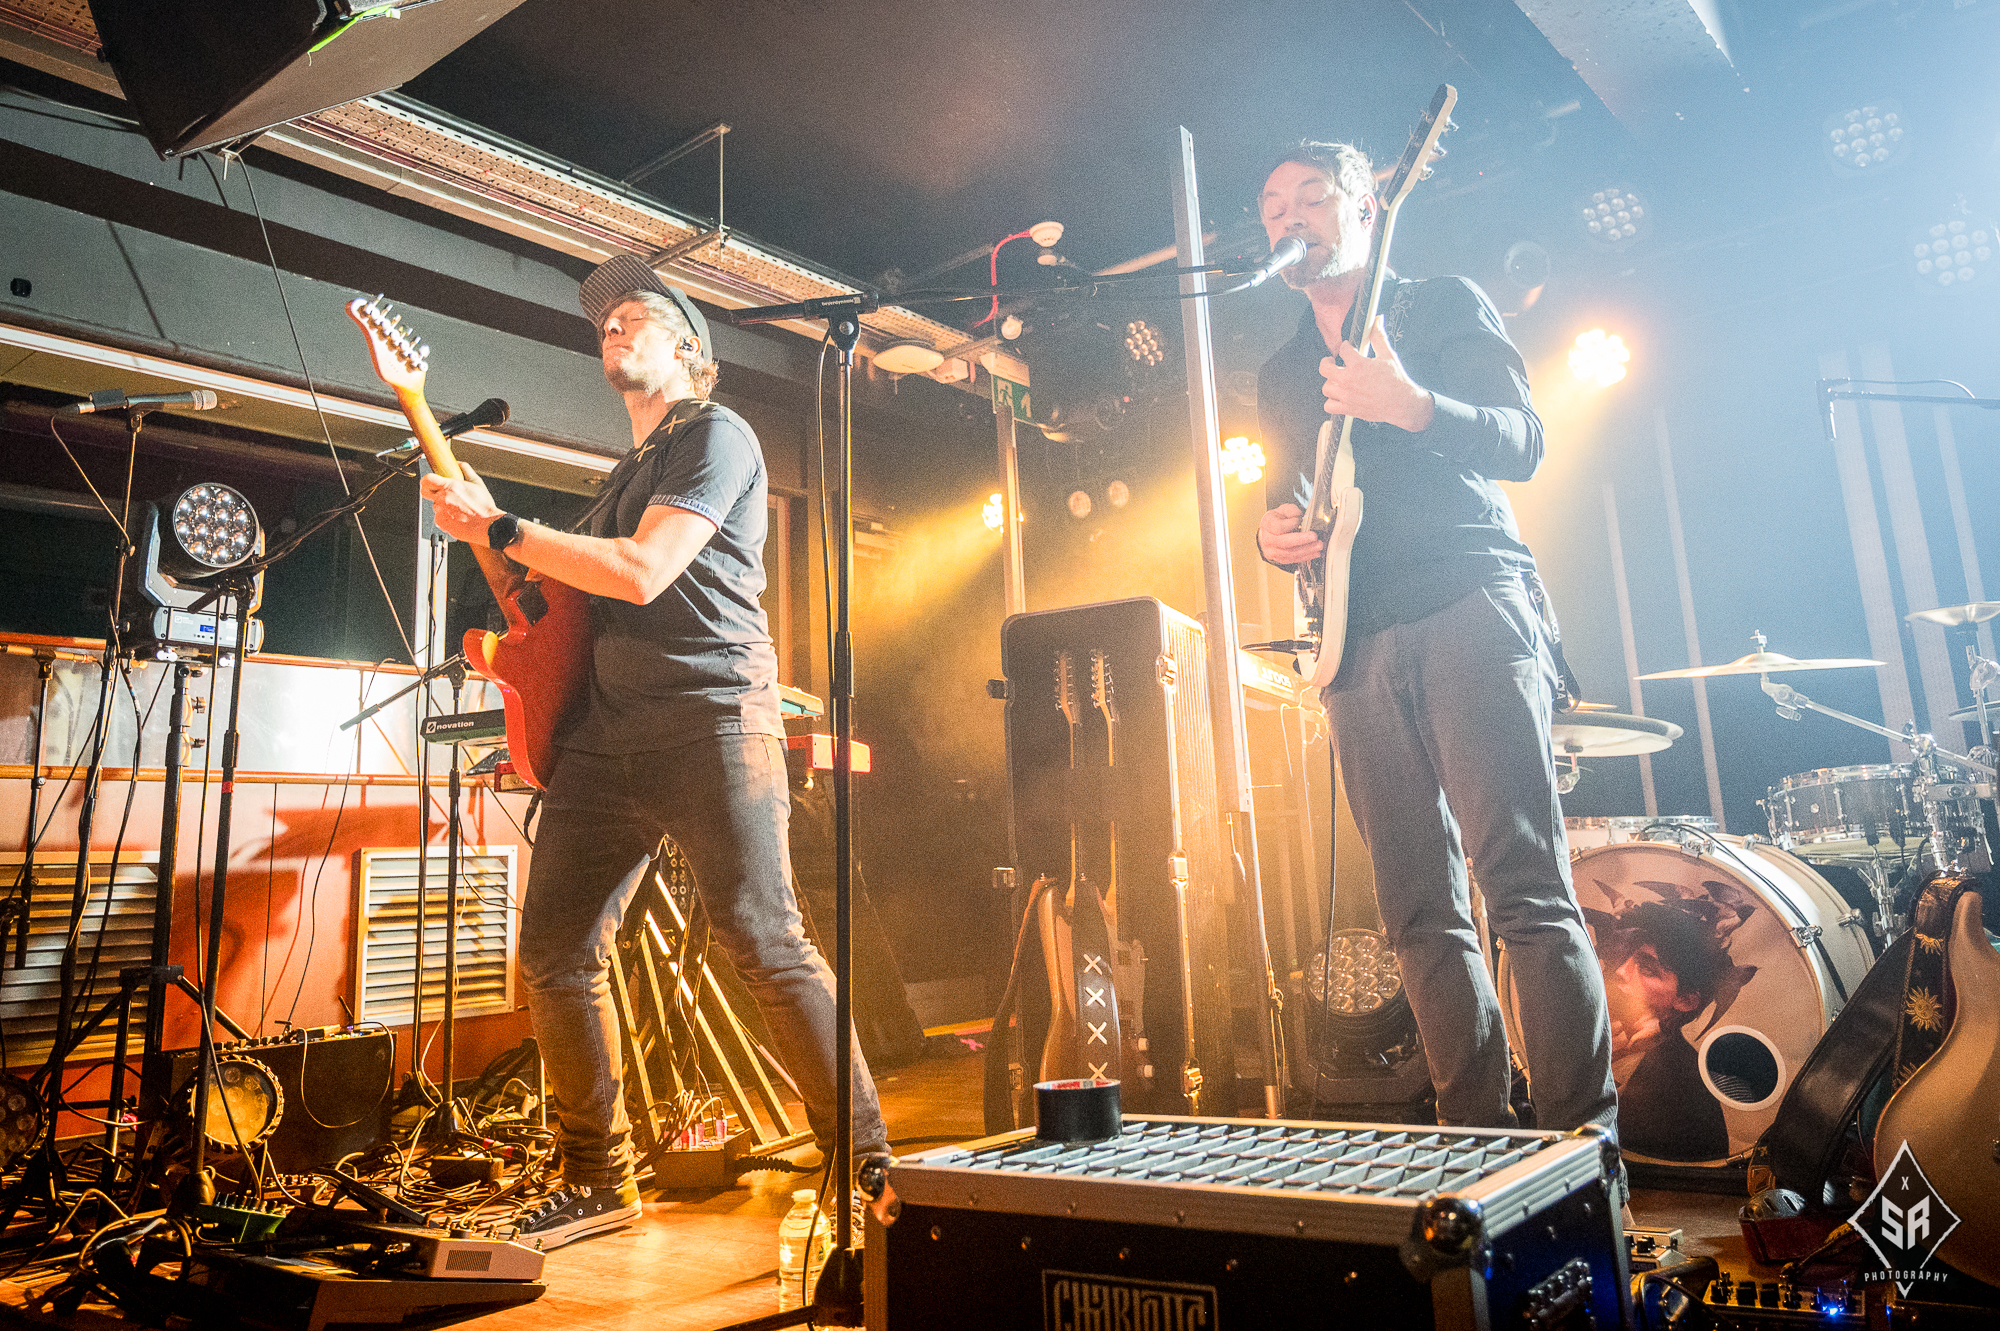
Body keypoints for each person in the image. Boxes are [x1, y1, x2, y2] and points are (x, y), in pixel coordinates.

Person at [422, 254, 886, 1249]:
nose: (613, 326)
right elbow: (542, 594)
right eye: (606, 321)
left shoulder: (716, 434)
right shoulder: (621, 478)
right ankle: (598, 1178)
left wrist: (499, 521)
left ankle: (867, 1169)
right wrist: (480, 523)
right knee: (555, 950)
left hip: (710, 716)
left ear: (687, 348)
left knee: (762, 938)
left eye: (634, 315)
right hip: (607, 736)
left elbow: (641, 572)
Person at [1253, 141, 1619, 1143]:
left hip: (1467, 603)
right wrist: (1273, 533)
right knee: (1416, 911)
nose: (1288, 217)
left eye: (1310, 196)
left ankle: (1583, 1151)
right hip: (1355, 643)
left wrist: (1411, 404)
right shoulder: (1280, 371)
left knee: (1523, 888)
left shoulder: (1438, 305)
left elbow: (1522, 439)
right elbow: (1291, 493)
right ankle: (1475, 1140)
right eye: (1271, 207)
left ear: (1367, 206)